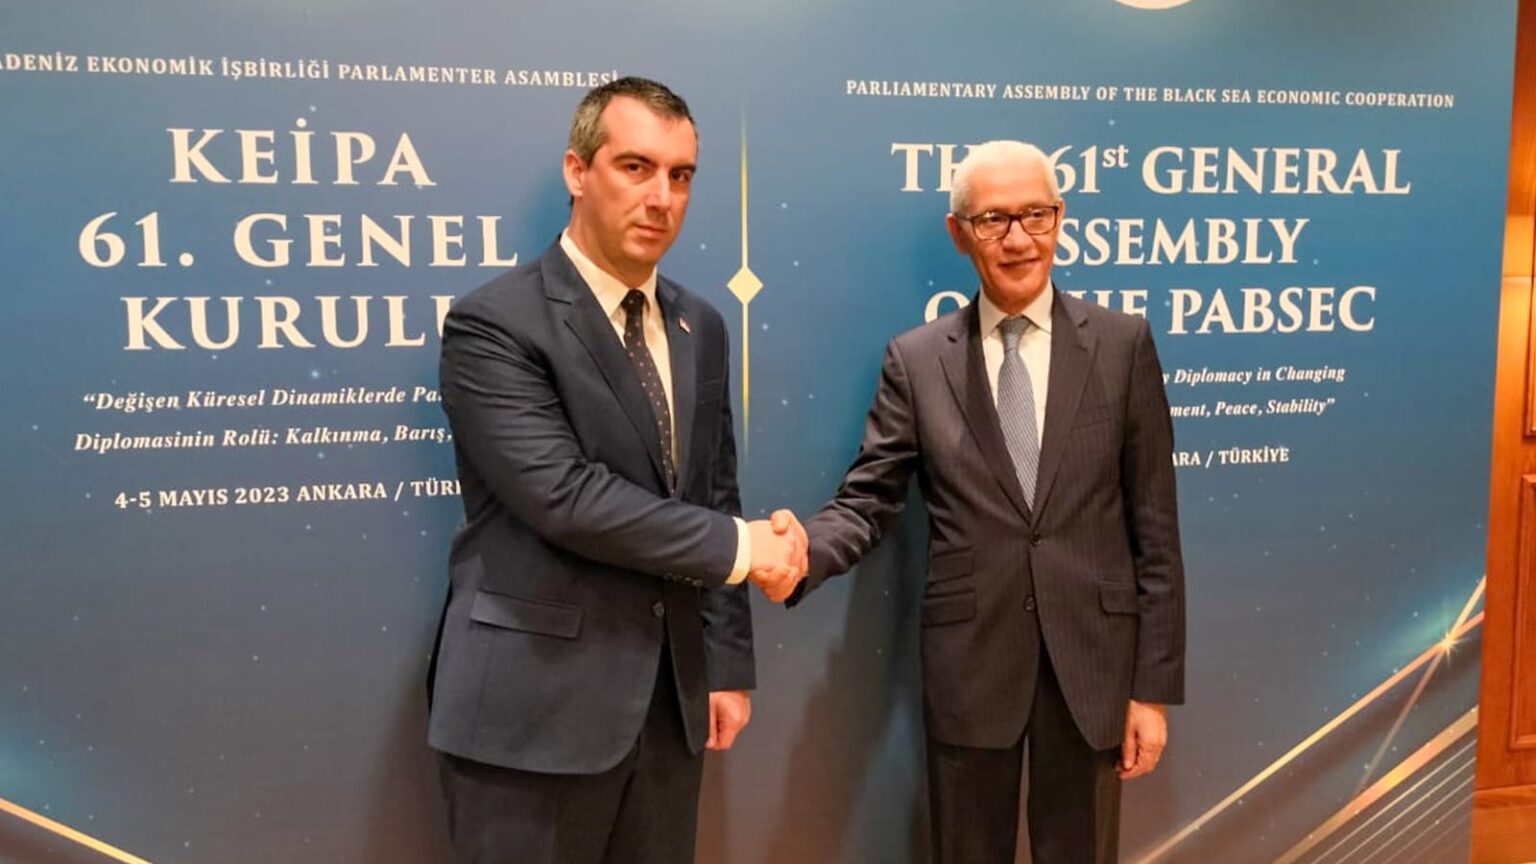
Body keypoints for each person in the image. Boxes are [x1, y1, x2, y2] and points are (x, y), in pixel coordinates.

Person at [426, 76, 805, 864]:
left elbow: (713, 491)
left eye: (681, 175)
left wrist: (725, 664)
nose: (661, 197)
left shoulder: (701, 323)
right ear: (577, 171)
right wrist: (748, 548)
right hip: (532, 718)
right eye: (636, 167)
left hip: (669, 712)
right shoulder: (494, 323)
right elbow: (564, 497)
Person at [785, 140, 1186, 864]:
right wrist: (801, 552)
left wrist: (1151, 691)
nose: (1018, 238)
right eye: (994, 219)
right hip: (971, 667)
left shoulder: (1123, 345)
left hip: (1092, 669)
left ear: (1060, 217)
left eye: (1035, 215)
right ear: (959, 232)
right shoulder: (916, 360)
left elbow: (1155, 527)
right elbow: (869, 498)